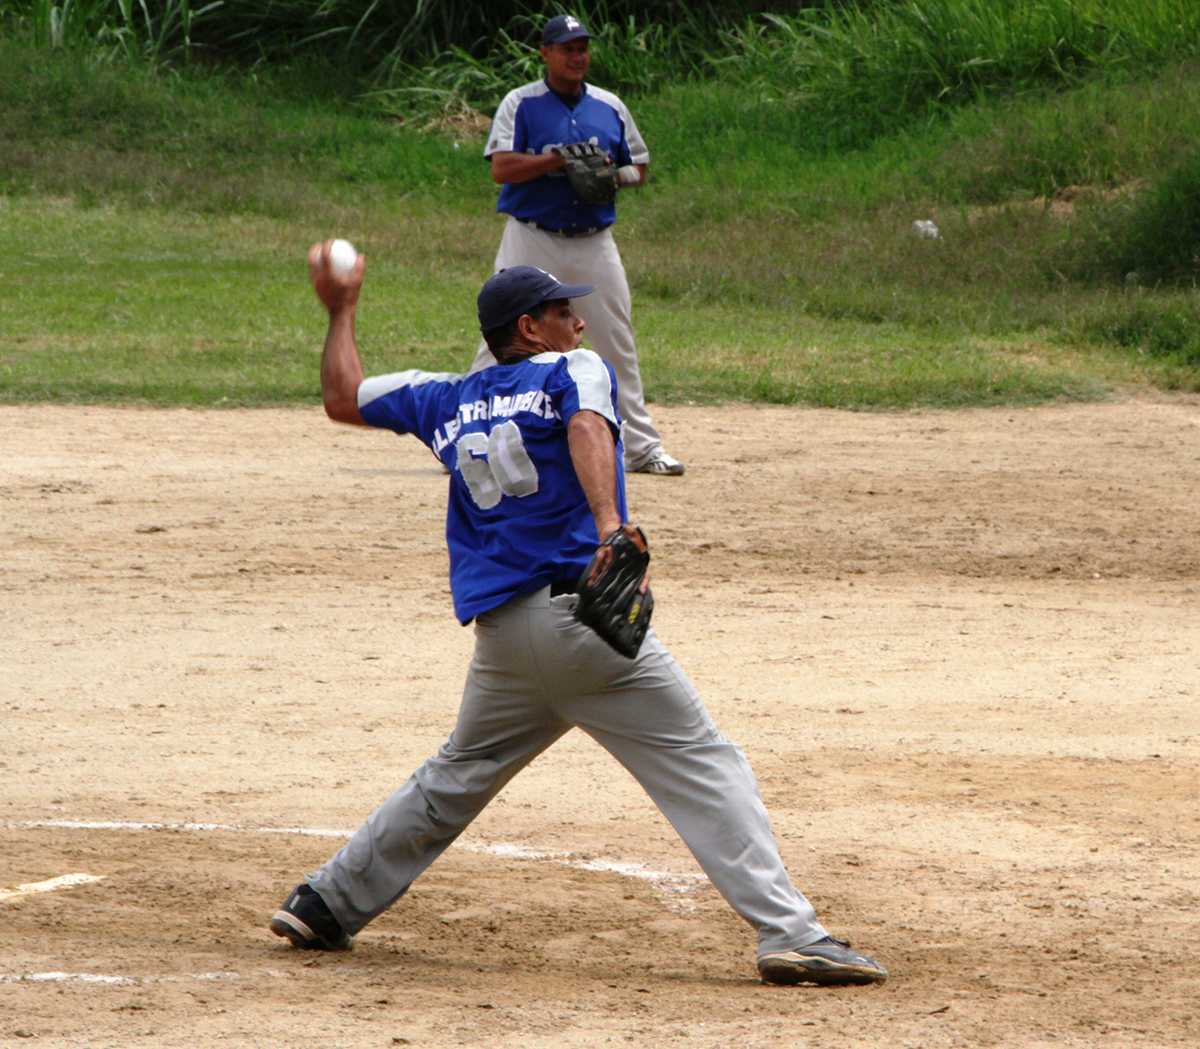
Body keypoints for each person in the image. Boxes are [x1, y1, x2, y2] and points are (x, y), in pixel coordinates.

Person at [267, 241, 889, 989]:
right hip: (582, 622)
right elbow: (589, 428)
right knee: (703, 761)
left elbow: (344, 396)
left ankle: (327, 902)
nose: (580, 326)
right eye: (565, 312)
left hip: (504, 640)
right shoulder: (572, 371)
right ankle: (793, 934)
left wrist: (341, 311)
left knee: (459, 772)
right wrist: (609, 525)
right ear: (530, 327)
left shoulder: (444, 394)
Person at [467, 13, 684, 477]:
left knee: (614, 340)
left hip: (593, 242)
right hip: (531, 238)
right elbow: (501, 168)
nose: (577, 55)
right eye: (567, 47)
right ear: (545, 53)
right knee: (500, 337)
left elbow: (638, 169)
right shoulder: (520, 104)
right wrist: (554, 162)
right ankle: (471, 440)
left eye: (582, 47)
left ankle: (643, 448)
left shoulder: (609, 106)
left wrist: (611, 176)